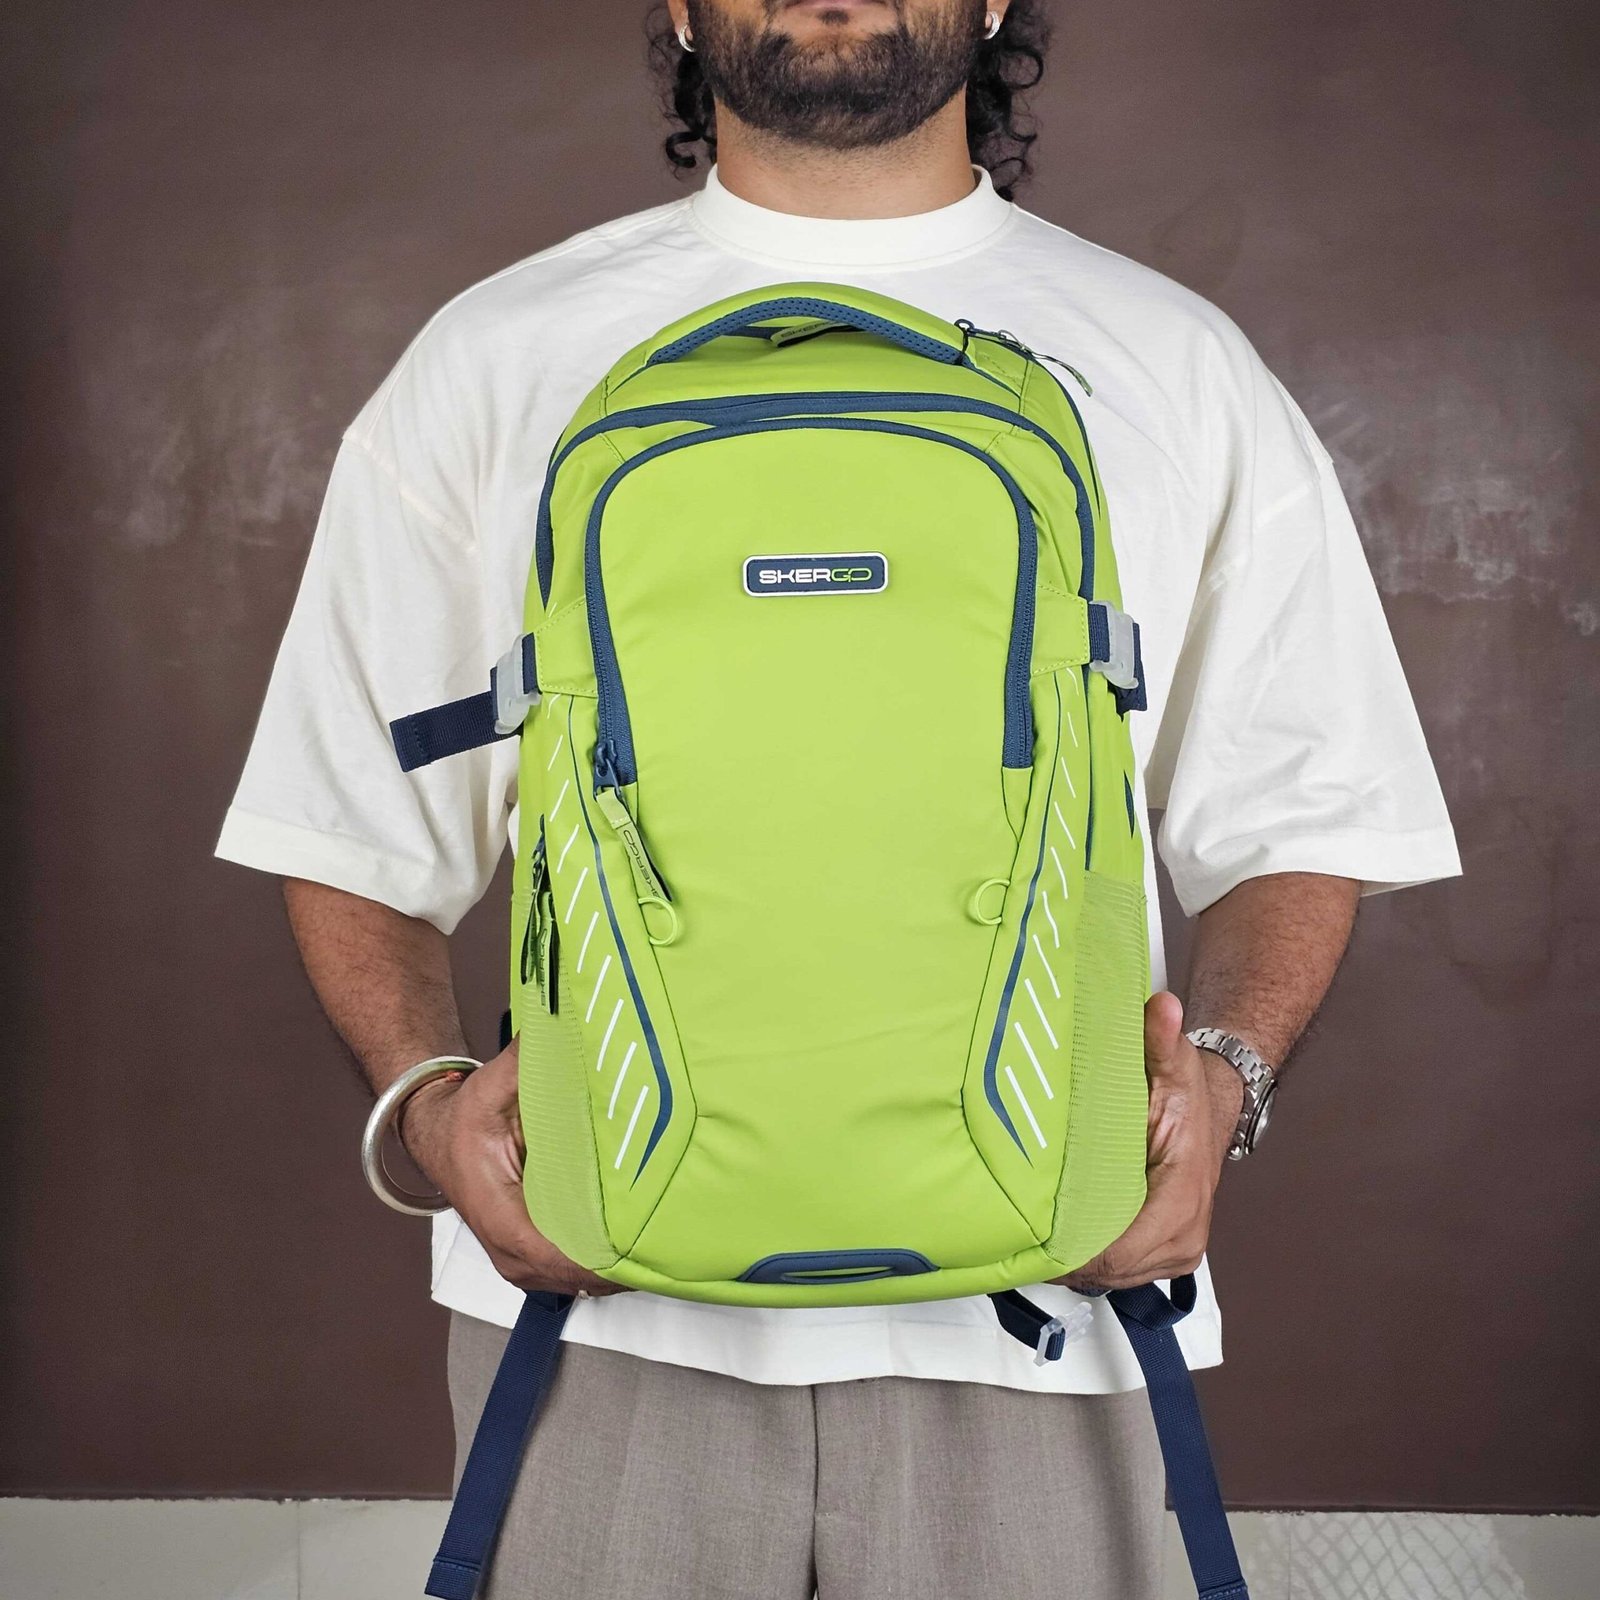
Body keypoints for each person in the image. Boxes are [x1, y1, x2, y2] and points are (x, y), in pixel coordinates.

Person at [216, 2, 1460, 1594]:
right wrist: (425, 1104)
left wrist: (1227, 1082)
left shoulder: (1176, 363)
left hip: (1049, 1317)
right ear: (678, 6)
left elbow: (1307, 813)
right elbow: (346, 822)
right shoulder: (493, 357)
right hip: (595, 1311)